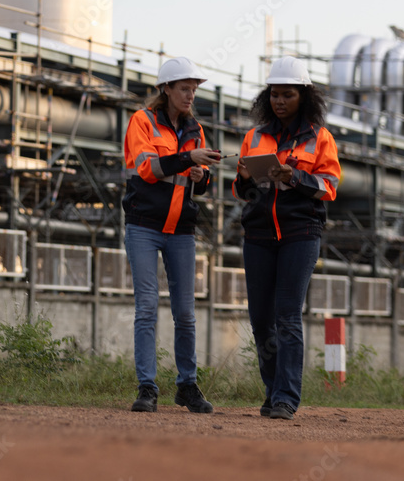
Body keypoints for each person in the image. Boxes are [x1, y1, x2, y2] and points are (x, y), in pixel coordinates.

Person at [232, 56, 341, 421]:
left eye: (287, 95)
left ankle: (286, 397)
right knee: (261, 320)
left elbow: (328, 187)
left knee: (287, 316)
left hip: (300, 233)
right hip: (259, 234)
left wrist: (293, 177)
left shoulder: (320, 138)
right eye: (274, 94)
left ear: (303, 96)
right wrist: (247, 178)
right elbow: (241, 192)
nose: (279, 101)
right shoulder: (254, 136)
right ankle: (272, 389)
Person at [124, 56, 220, 414]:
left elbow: (203, 181)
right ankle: (147, 387)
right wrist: (187, 159)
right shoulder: (142, 122)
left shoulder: (195, 129)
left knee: (185, 312)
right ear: (165, 89)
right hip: (144, 226)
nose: (190, 95)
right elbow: (147, 168)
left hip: (181, 228)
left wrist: (201, 176)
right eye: (184, 88)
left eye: (194, 89)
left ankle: (187, 386)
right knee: (147, 308)